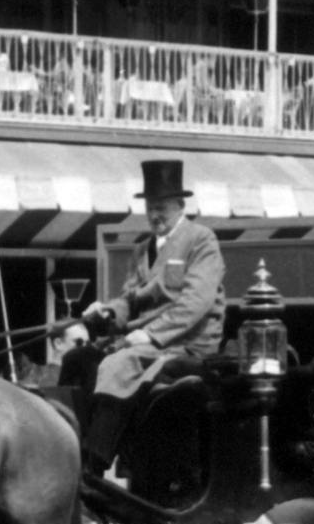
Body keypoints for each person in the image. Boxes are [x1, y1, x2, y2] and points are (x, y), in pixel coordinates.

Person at [79, 159, 225, 476]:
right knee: (79, 359)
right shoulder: (142, 249)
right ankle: (71, 450)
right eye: (150, 208)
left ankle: (94, 466)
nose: (155, 215)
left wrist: (151, 335)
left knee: (118, 363)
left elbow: (196, 302)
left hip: (187, 346)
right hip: (144, 344)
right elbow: (130, 299)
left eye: (162, 208)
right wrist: (106, 312)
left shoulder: (201, 240)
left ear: (180, 205)